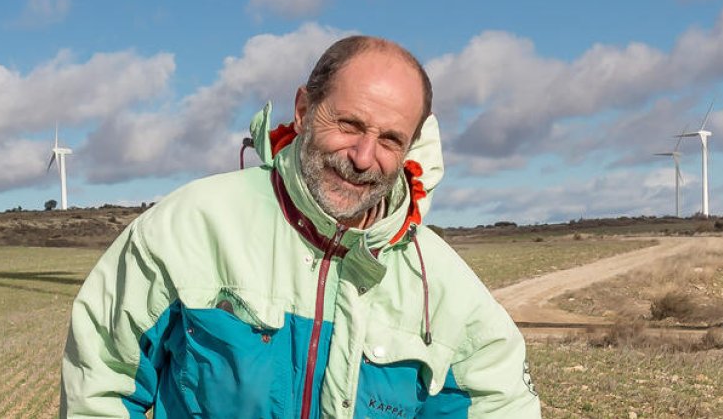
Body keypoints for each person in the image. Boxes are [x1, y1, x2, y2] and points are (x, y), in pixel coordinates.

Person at [60, 35, 540, 418]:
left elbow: (501, 403)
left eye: (390, 139)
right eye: (350, 124)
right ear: (304, 109)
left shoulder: (444, 287)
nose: (363, 157)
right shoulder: (191, 227)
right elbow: (101, 383)